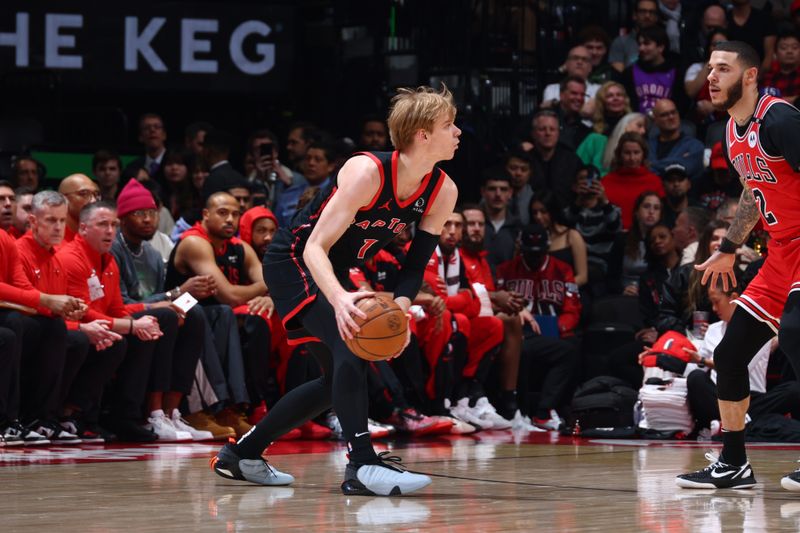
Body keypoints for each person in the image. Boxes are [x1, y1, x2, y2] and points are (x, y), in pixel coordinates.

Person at [212, 85, 459, 496]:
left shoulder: (443, 190)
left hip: (334, 268)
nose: (458, 132)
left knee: (333, 382)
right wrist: (341, 298)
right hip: (294, 258)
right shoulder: (366, 172)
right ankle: (362, 465)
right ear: (422, 134)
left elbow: (414, 266)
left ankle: (243, 455)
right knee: (353, 347)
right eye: (449, 125)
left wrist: (398, 311)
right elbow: (314, 247)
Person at [676, 41, 800, 491]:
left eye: (723, 69)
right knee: (729, 355)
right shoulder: (731, 130)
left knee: (797, 335)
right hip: (781, 253)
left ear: (749, 76)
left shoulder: (781, 119)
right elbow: (754, 191)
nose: (711, 77)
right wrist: (729, 245)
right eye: (710, 68)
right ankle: (733, 463)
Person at [602, 131, 665, 230]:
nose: (632, 158)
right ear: (619, 154)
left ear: (643, 154)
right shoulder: (606, 181)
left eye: (636, 152)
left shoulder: (655, 182)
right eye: (627, 153)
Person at [58, 174, 101, 243]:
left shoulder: (98, 241)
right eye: (84, 194)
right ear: (63, 199)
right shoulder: (52, 240)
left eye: (95, 194)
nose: (93, 200)